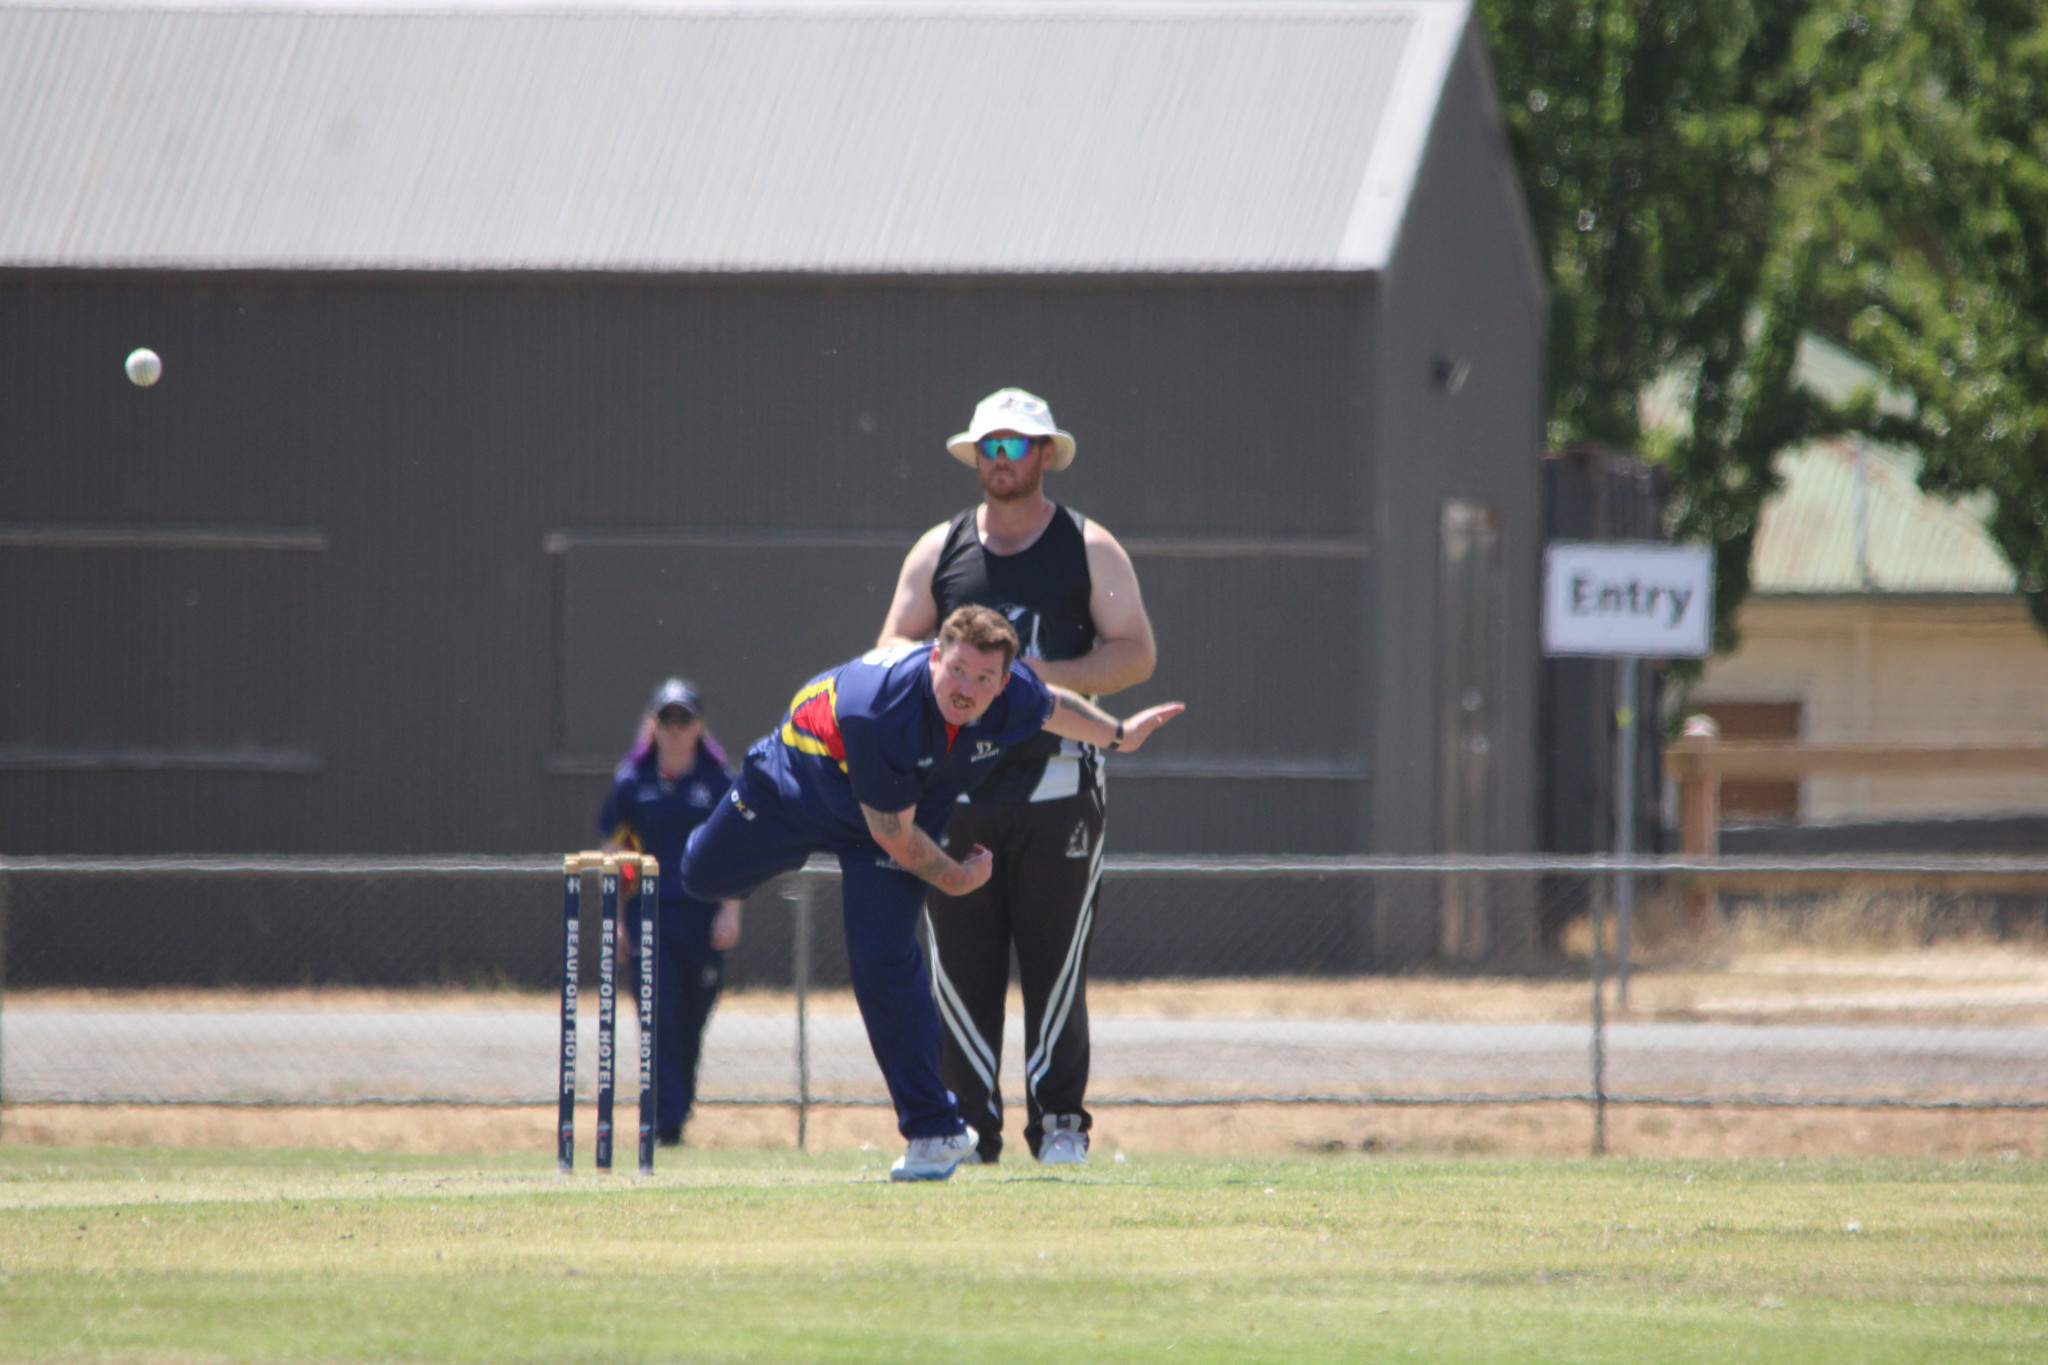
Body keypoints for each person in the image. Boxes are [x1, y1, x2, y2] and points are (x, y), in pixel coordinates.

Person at [678, 605, 1182, 1181]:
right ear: (935, 656)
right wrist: (954, 877)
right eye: (958, 670)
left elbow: (1052, 706)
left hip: (889, 822)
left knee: (883, 957)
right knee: (700, 874)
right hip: (793, 790)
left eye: (984, 678)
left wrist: (1120, 735)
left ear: (1003, 680)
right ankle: (769, 848)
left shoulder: (1013, 690)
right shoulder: (883, 708)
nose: (967, 689)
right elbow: (893, 833)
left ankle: (934, 1130)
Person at [877, 387, 1156, 1166]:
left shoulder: (1088, 547)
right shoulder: (940, 549)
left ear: (1045, 453)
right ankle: (966, 1127)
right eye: (990, 447)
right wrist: (951, 674)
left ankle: (1061, 1124)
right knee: (959, 972)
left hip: (1059, 788)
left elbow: (1135, 651)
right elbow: (891, 646)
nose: (1003, 460)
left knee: (1056, 966)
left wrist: (1031, 679)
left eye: (1018, 445)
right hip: (957, 792)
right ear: (976, 457)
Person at [596, 678, 742, 1146]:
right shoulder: (632, 784)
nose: (675, 729)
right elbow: (615, 849)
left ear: (699, 726)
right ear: (652, 726)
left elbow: (734, 850)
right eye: (667, 719)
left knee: (692, 1018)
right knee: (658, 1015)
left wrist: (730, 911)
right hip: (649, 916)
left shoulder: (718, 782)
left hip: (702, 916)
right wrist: (615, 918)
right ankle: (665, 1120)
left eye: (684, 720)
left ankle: (677, 1108)